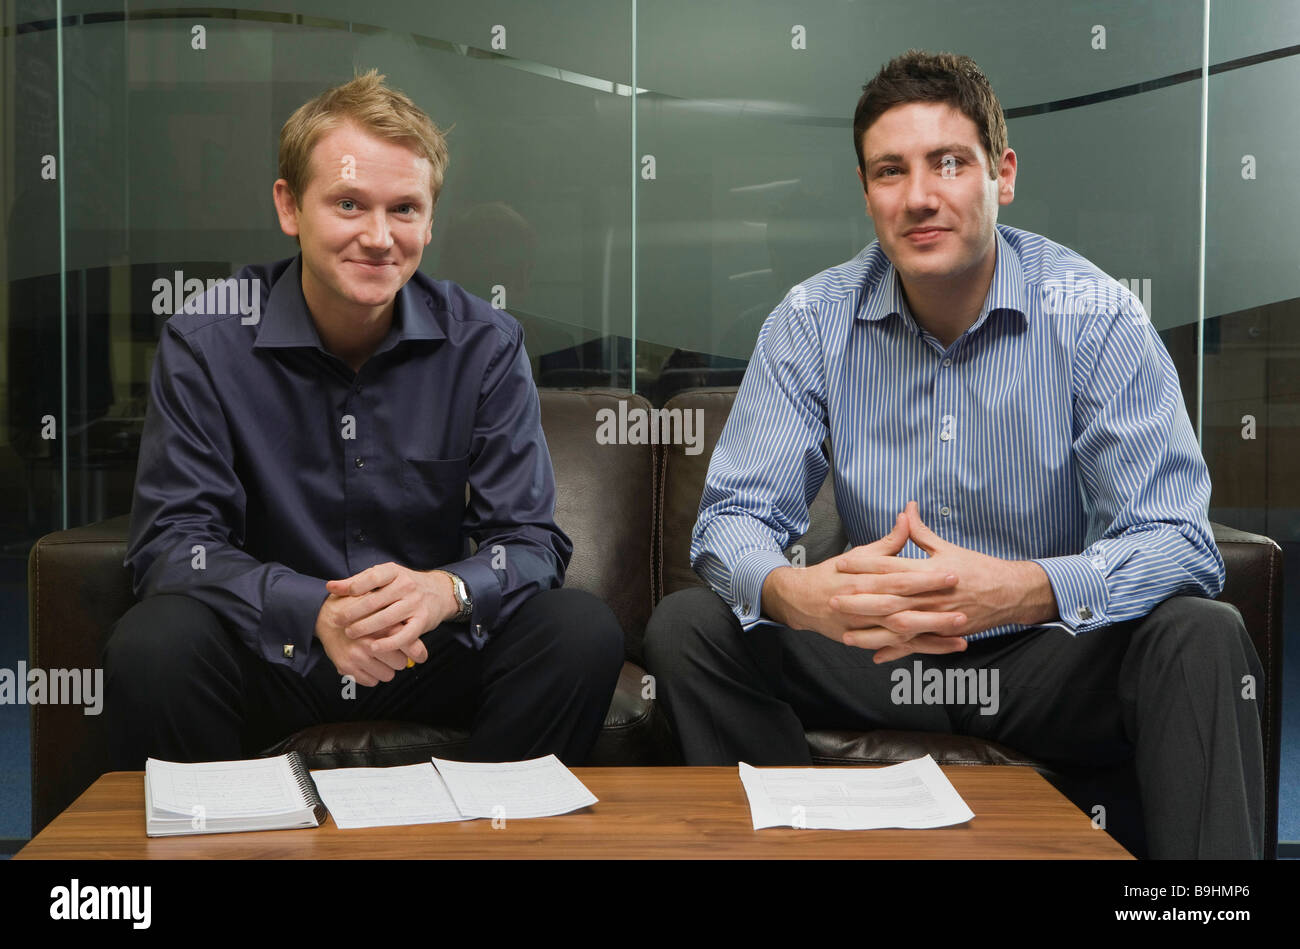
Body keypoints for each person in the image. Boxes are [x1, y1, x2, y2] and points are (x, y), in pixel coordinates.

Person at [643, 50, 1265, 859]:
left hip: (1047, 653)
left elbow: (1180, 540)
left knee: (1202, 635)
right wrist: (799, 593)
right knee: (689, 624)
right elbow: (733, 521)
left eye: (949, 163)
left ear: (1001, 174)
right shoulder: (810, 320)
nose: (921, 196)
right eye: (891, 171)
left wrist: (1022, 589)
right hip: (874, 651)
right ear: (867, 193)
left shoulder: (1097, 315)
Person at [105, 69, 623, 769]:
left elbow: (529, 541)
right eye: (349, 204)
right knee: (155, 640)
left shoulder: (485, 344)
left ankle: (490, 835)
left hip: (426, 652)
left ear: (430, 219)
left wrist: (445, 591)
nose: (379, 237)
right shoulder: (207, 340)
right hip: (275, 653)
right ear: (289, 207)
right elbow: (172, 542)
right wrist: (311, 608)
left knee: (578, 630)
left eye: (404, 209)